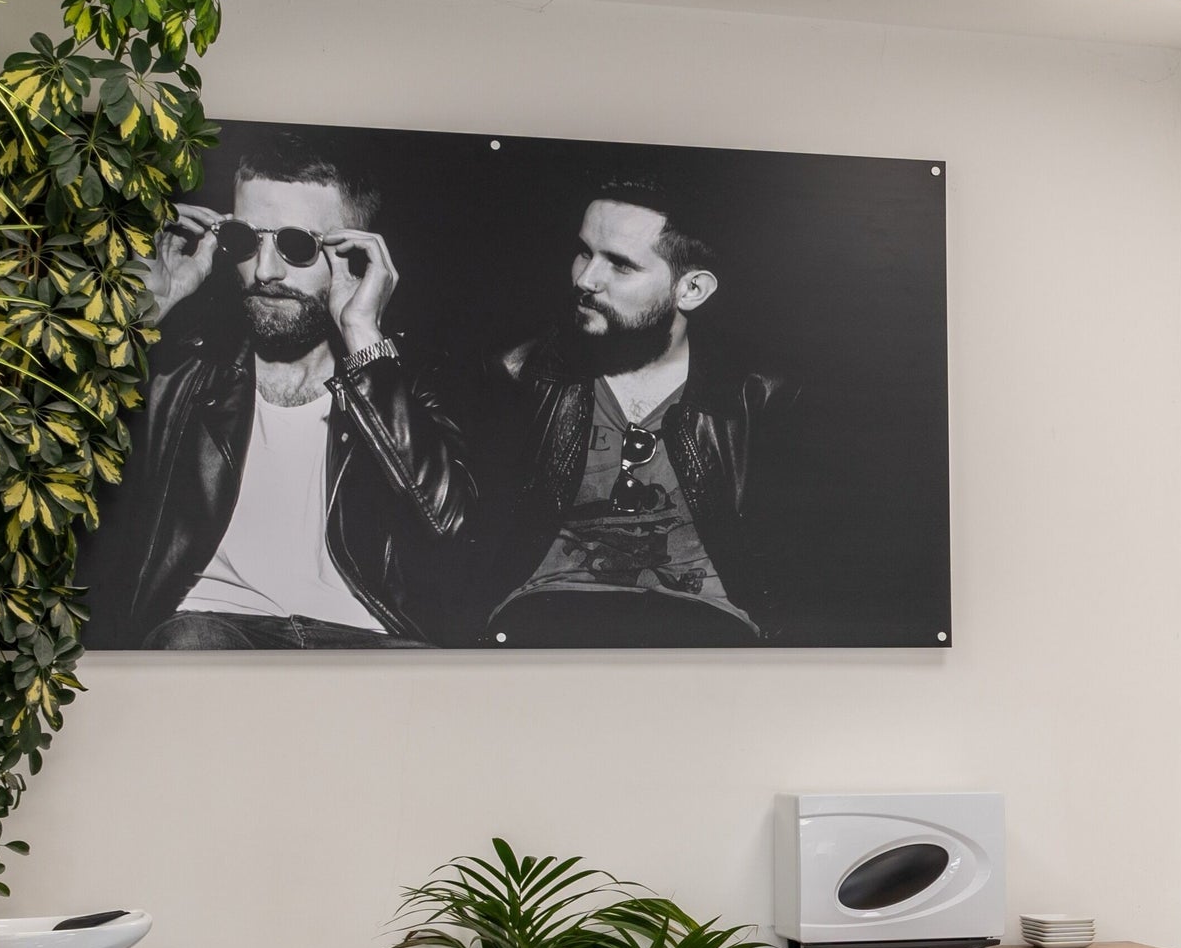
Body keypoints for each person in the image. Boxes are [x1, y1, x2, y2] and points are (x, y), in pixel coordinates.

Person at [89, 141, 478, 647]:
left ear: (355, 257)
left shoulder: (407, 378)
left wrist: (363, 335)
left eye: (297, 245)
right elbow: (54, 465)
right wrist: (144, 316)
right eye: (245, 240)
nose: (267, 271)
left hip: (369, 642)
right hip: (212, 628)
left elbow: (450, 529)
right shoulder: (181, 370)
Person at [482, 178, 793, 644]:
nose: (586, 279)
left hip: (705, 629)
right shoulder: (521, 375)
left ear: (691, 290)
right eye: (585, 252)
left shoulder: (758, 399)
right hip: (542, 620)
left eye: (621, 265)